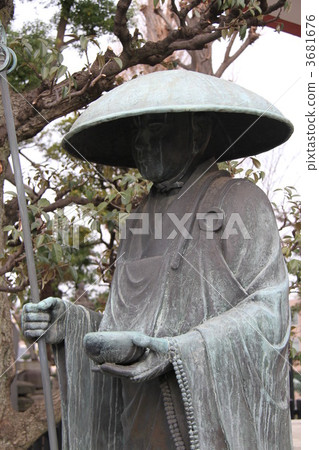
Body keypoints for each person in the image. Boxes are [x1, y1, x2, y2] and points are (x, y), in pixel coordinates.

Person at [22, 70, 294, 449]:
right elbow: (126, 326)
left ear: (197, 132)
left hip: (203, 416)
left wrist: (180, 352)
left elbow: (270, 311)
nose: (141, 143)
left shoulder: (239, 202)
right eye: (136, 132)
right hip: (138, 412)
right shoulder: (137, 220)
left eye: (154, 128)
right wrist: (67, 324)